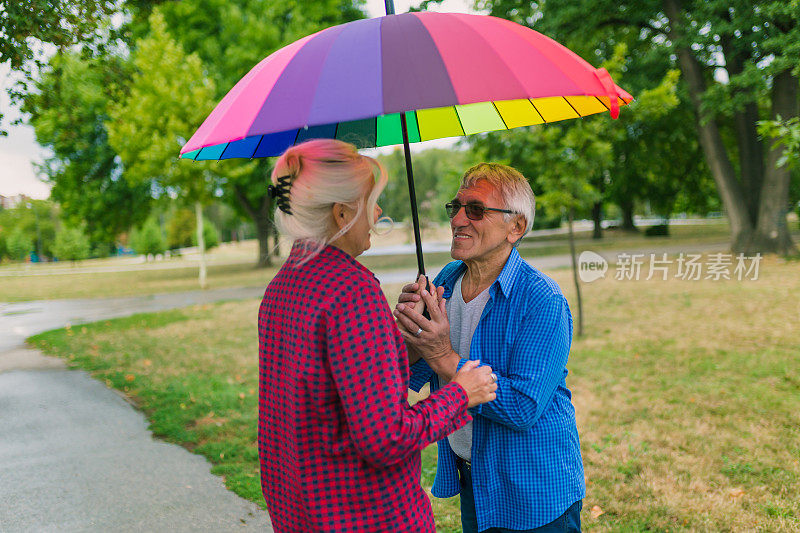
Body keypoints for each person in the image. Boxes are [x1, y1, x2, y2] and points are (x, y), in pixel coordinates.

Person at [257, 139, 498, 533]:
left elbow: (340, 388)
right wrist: (461, 392)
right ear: (341, 213)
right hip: (365, 514)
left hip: (301, 510)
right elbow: (386, 438)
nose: (379, 212)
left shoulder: (283, 287)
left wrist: (400, 342)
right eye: (373, 201)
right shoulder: (351, 289)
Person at [393, 163, 584, 533]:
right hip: (474, 480)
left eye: (476, 210)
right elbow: (411, 373)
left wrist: (443, 355)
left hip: (534, 492)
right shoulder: (447, 279)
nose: (458, 220)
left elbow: (523, 407)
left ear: (516, 227)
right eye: (456, 207)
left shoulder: (542, 299)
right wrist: (412, 335)